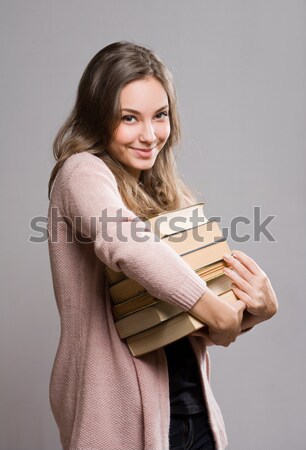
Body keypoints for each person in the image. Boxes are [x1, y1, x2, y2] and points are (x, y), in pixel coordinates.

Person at [47, 41, 278, 450]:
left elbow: (202, 323)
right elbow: (125, 244)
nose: (150, 135)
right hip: (116, 422)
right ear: (99, 118)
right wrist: (213, 310)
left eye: (160, 116)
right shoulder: (80, 173)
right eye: (129, 118)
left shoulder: (165, 193)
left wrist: (258, 310)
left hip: (193, 416)